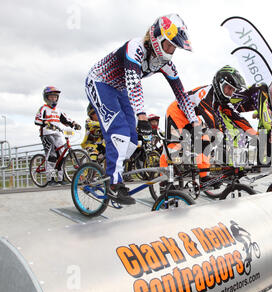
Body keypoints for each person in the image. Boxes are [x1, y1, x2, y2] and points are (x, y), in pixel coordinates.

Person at [84, 14, 196, 205]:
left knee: (132, 140)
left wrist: (194, 122)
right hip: (100, 82)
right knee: (119, 132)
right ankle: (114, 183)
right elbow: (133, 82)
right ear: (157, 38)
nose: (171, 50)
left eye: (174, 47)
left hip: (119, 89)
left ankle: (110, 170)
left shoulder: (165, 63)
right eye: (169, 44)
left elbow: (181, 94)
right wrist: (142, 116)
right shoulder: (135, 47)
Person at [163, 65, 248, 181]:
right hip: (177, 112)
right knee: (172, 149)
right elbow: (211, 117)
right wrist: (220, 135)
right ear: (220, 84)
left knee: (205, 142)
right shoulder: (206, 93)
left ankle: (204, 177)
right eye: (229, 88)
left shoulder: (220, 99)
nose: (230, 93)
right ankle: (163, 179)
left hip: (192, 118)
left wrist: (253, 133)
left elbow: (236, 117)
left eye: (233, 90)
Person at [230, 75, 272, 165]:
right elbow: (264, 113)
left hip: (233, 112)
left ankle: (240, 166)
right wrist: (271, 131)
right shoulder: (262, 89)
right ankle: (231, 163)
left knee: (246, 134)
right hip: (226, 106)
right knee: (241, 135)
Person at [34, 86, 82, 186]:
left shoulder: (59, 110)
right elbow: (37, 121)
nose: (53, 99)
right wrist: (46, 123)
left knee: (62, 154)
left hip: (58, 133)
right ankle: (50, 178)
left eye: (55, 97)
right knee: (52, 155)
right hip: (47, 134)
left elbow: (66, 120)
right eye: (51, 97)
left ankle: (61, 178)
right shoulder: (43, 108)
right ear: (46, 97)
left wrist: (74, 124)